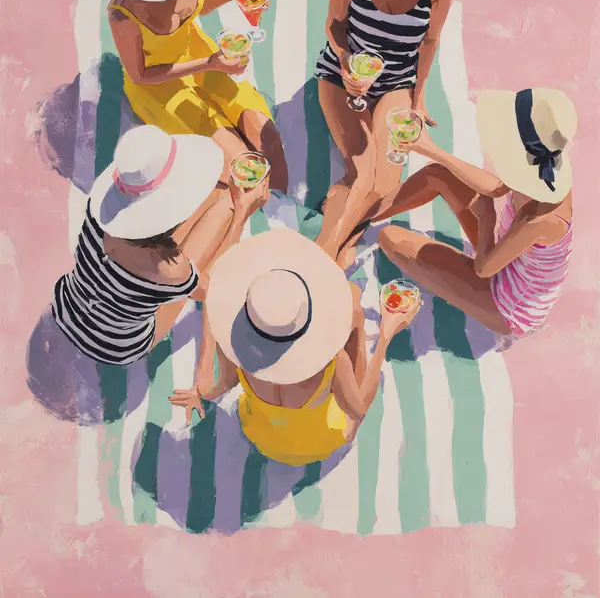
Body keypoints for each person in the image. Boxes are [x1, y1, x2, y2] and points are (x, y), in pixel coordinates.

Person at [168, 228, 422, 466]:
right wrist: (386, 334)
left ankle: (349, 243)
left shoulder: (236, 351)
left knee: (351, 301)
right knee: (355, 309)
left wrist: (199, 392)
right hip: (321, 444)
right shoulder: (332, 361)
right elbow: (359, 410)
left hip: (262, 437)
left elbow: (221, 385)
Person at [314, 0, 467, 262]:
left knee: (384, 184)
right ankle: (325, 254)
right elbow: (334, 25)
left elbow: (429, 42)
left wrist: (418, 99)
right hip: (343, 73)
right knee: (362, 172)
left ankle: (338, 244)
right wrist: (346, 61)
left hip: (396, 79)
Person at [104, 0, 288, 191]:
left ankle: (286, 208)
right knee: (242, 167)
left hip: (199, 55)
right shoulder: (124, 14)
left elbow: (200, 3)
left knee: (270, 143)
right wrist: (209, 64)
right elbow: (140, 74)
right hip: (161, 86)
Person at [356, 88, 575, 340]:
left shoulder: (540, 217)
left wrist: (486, 217)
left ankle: (362, 223)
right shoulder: (541, 174)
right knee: (439, 173)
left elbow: (484, 269)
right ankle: (364, 216)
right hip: (505, 255)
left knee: (390, 238)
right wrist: (431, 150)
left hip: (507, 305)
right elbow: (497, 188)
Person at [51, 125, 269, 365]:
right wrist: (241, 215)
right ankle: (231, 206)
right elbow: (209, 288)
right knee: (222, 211)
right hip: (118, 347)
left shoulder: (97, 211)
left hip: (66, 308)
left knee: (212, 212)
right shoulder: (167, 269)